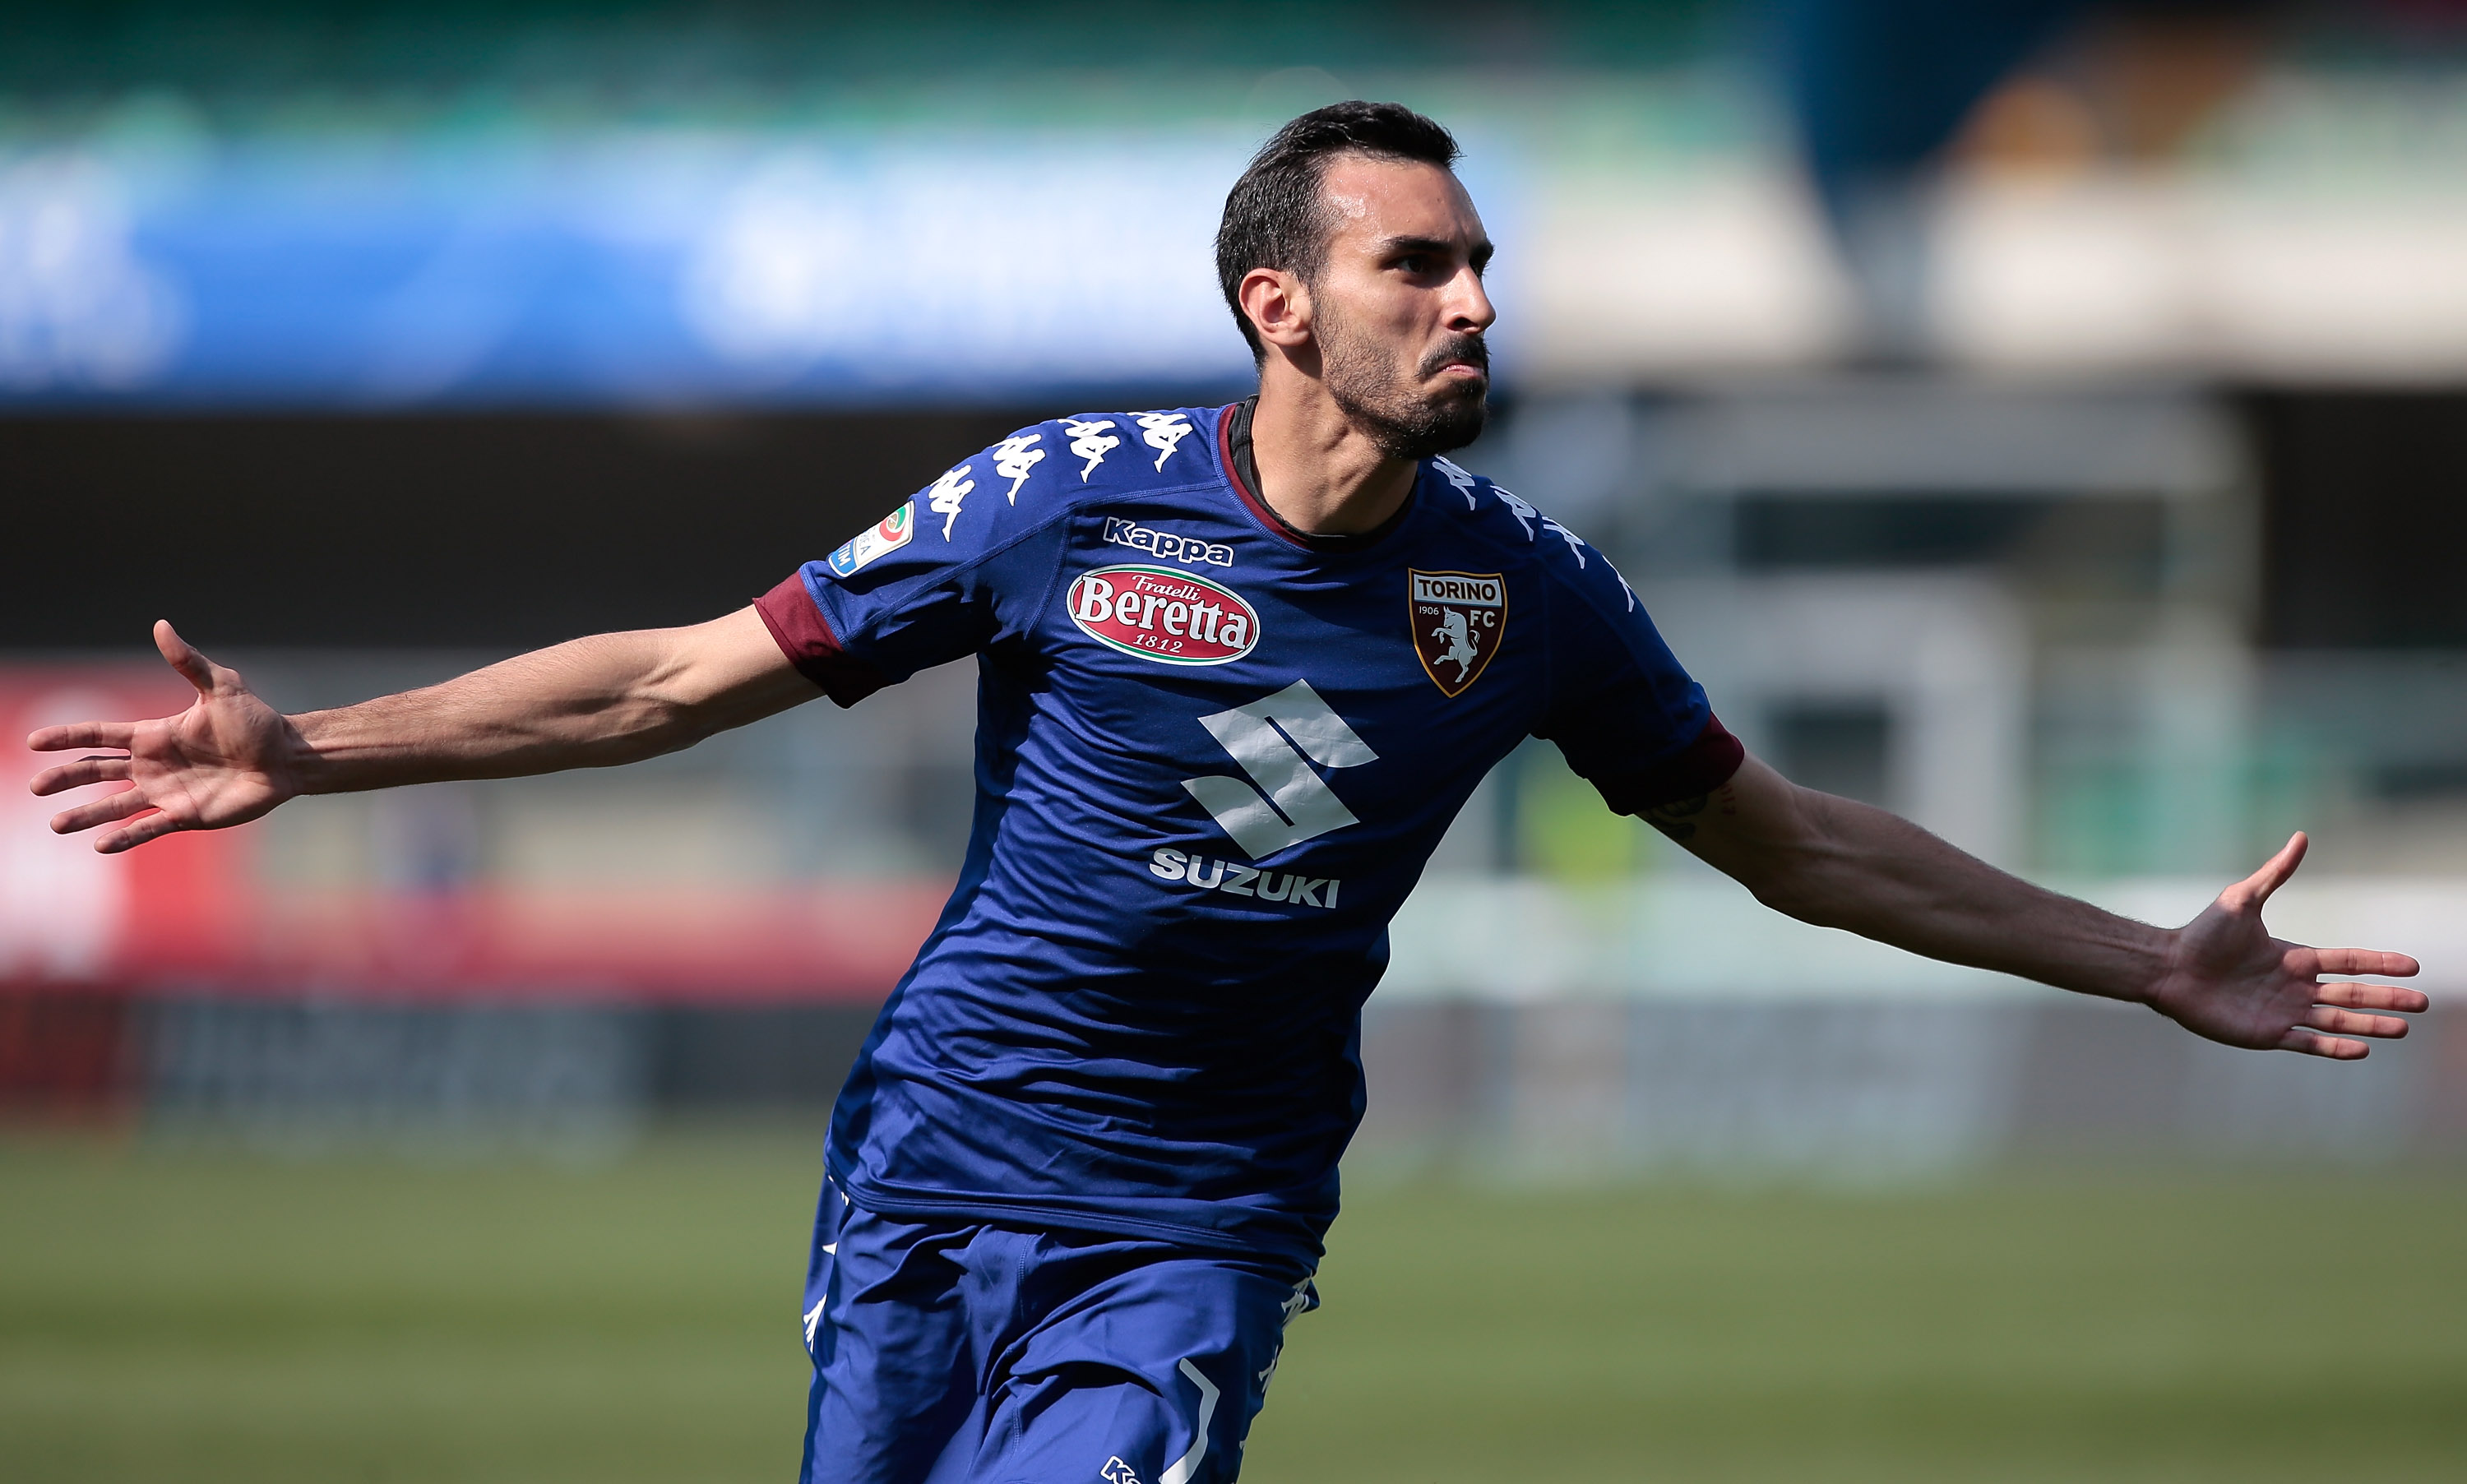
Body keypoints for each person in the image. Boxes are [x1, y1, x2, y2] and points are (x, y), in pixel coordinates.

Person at [27, 103, 2425, 1484]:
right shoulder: (1062, 504)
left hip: (1193, 1229)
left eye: (1483, 267)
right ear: (1280, 299)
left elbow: (1792, 837)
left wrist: (2139, 959)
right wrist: (310, 750)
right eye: (1418, 267)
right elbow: (669, 684)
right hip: (927, 1178)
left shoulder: (1536, 596)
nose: (1472, 304)